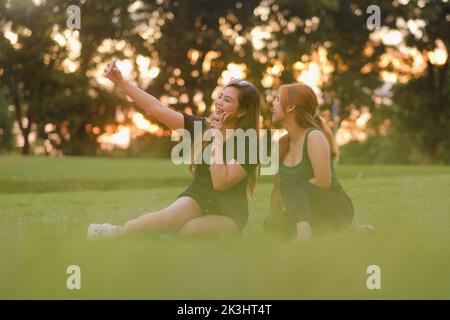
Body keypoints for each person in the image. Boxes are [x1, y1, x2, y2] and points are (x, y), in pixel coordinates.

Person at [88, 59, 261, 239]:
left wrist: (217, 139)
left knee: (189, 232)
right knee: (163, 219)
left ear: (242, 112)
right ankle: (118, 233)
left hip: (229, 213)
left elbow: (220, 182)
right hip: (198, 197)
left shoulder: (250, 145)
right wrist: (122, 82)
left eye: (227, 100)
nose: (219, 103)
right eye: (220, 96)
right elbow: (155, 108)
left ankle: (176, 239)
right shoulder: (202, 127)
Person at [264, 83, 355, 240]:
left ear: (291, 106)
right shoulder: (281, 144)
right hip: (305, 209)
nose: (274, 104)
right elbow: (278, 188)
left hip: (335, 207)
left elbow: (323, 181)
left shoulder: (314, 137)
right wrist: (276, 215)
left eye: (278, 99)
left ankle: (304, 230)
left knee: (290, 183)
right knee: (271, 223)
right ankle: (344, 237)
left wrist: (293, 196)